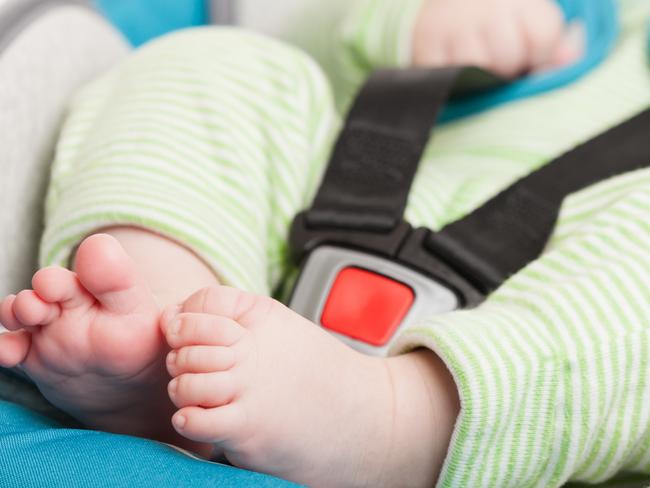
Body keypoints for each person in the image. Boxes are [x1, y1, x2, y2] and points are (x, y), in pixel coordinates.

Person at [1, 0, 649, 486]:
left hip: (528, 330)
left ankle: (394, 423)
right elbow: (316, 40)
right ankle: (159, 319)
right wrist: (413, 21)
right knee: (221, 58)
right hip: (317, 206)